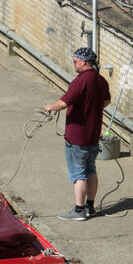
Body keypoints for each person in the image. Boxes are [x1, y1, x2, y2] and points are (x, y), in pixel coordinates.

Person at [43, 47, 111, 220]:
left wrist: (50, 107)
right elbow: (107, 101)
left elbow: (64, 103)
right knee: (91, 170)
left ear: (84, 62)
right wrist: (93, 109)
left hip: (77, 137)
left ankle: (79, 211)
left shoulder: (80, 82)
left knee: (78, 174)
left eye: (75, 61)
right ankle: (90, 206)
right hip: (93, 135)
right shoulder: (101, 81)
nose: (73, 64)